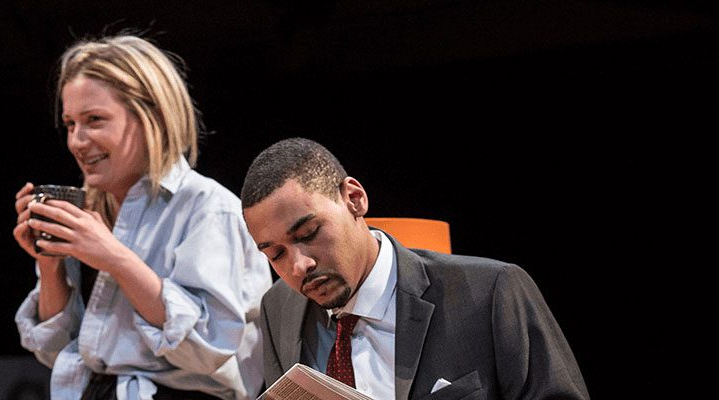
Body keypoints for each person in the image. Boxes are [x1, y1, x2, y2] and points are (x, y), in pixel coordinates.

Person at [11, 35, 272, 400]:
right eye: (70, 124)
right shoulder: (91, 209)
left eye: (94, 120)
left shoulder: (208, 207)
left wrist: (114, 257)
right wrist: (50, 264)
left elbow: (209, 347)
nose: (77, 141)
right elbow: (57, 350)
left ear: (151, 116)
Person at [240, 138, 589, 399]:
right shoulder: (278, 308)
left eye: (309, 233)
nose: (299, 266)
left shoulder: (491, 292)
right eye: (275, 254)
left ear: (354, 199)